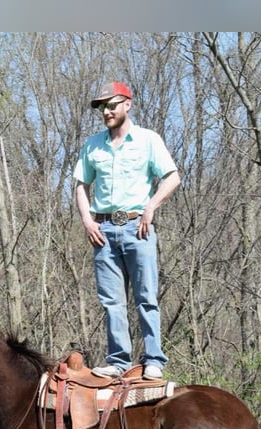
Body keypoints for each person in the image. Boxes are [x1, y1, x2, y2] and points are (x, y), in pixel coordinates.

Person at [73, 81, 181, 380]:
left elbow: (172, 177)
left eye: (111, 105)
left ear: (127, 105)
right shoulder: (93, 145)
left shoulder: (147, 140)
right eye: (102, 107)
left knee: (146, 296)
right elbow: (81, 185)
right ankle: (119, 360)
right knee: (111, 301)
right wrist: (88, 220)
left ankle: (153, 360)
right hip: (103, 229)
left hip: (138, 227)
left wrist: (151, 207)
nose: (106, 111)